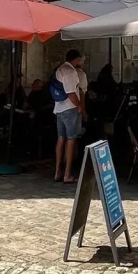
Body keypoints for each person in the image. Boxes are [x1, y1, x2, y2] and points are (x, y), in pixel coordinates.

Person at [53, 49, 85, 183]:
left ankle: (57, 172)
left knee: (61, 139)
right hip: (70, 108)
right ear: (76, 59)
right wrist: (79, 106)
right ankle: (67, 174)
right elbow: (72, 93)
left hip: (59, 108)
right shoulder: (71, 72)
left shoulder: (60, 69)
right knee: (71, 140)